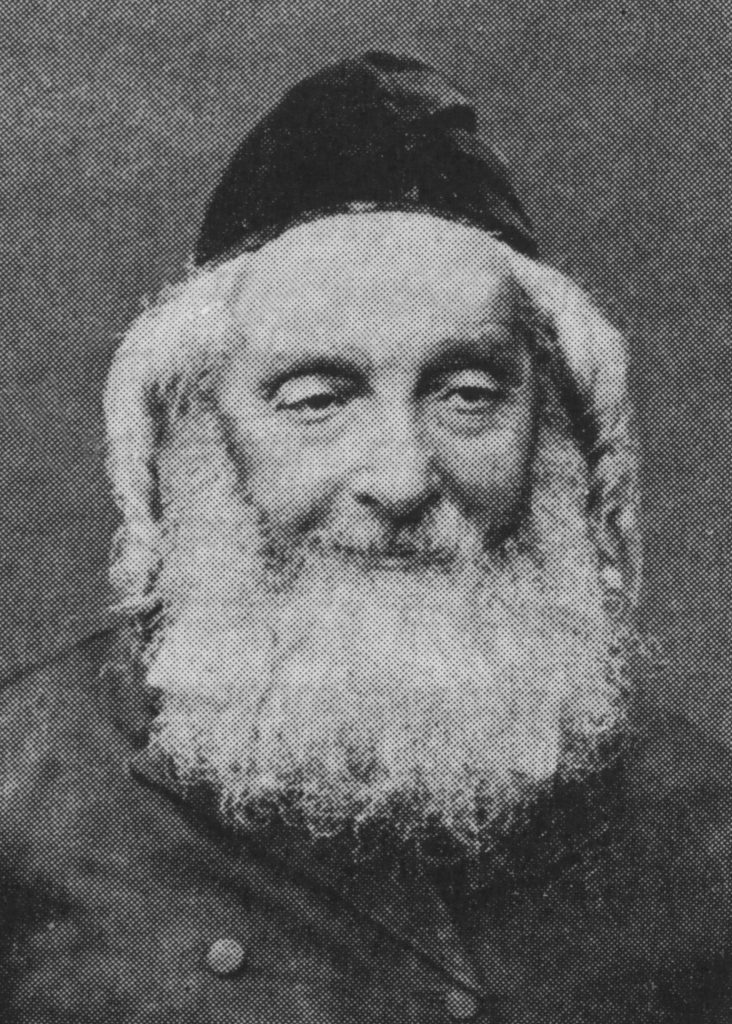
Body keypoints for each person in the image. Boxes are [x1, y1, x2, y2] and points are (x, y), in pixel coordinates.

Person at [1, 51, 730, 1023]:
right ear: (201, 431)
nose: (402, 477)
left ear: (548, 425)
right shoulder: (23, 794)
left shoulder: (702, 820)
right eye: (318, 399)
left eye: (467, 394)